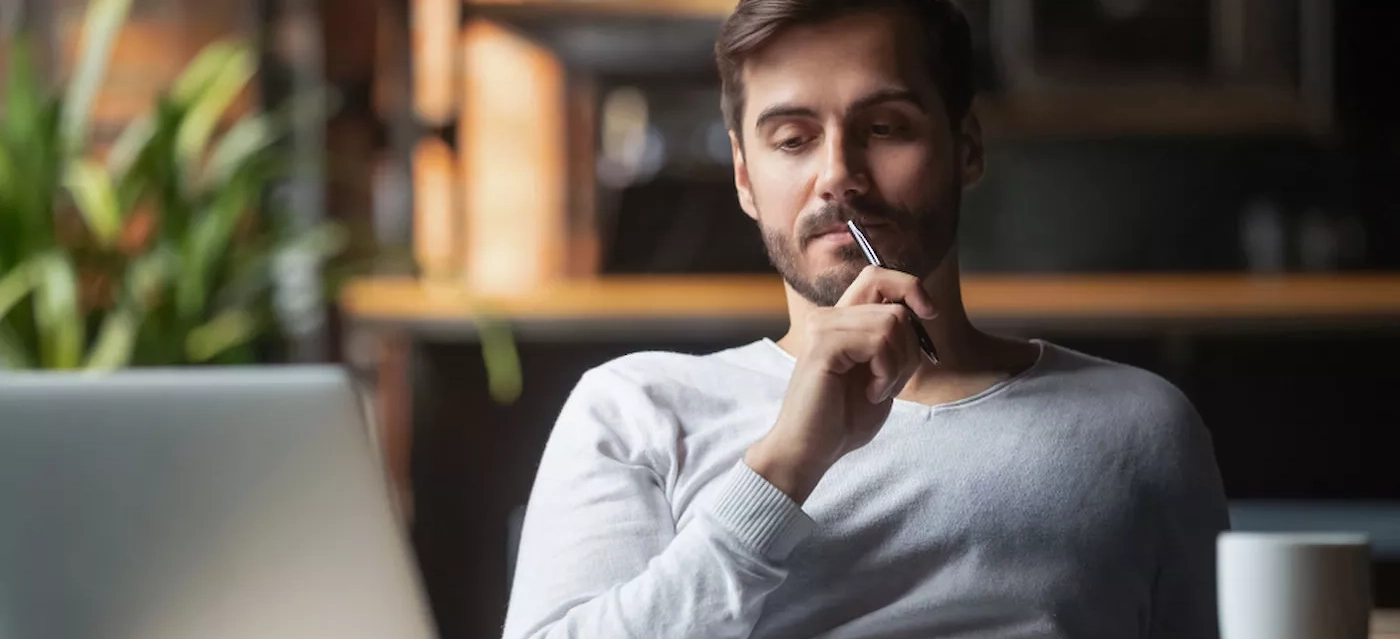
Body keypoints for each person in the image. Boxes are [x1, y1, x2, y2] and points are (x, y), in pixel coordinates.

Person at [501, 0, 1230, 637]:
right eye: (793, 138)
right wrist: (784, 464)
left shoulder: (1141, 427)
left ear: (965, 147)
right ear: (745, 176)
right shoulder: (636, 411)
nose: (838, 174)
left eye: (883, 128)